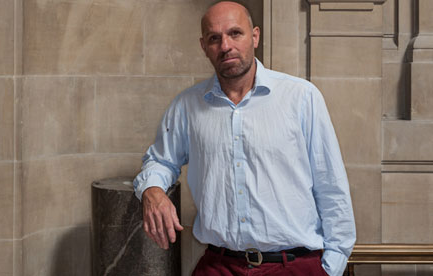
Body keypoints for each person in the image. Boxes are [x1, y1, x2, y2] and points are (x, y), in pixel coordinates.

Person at [133, 1, 356, 275]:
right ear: (204, 47)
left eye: (235, 33)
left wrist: (330, 268)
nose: (225, 45)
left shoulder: (301, 98)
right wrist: (151, 190)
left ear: (255, 36)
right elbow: (159, 161)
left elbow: (331, 187)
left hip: (294, 266)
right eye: (215, 38)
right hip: (219, 265)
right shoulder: (186, 106)